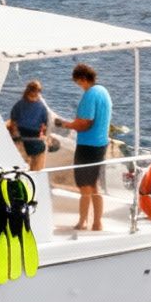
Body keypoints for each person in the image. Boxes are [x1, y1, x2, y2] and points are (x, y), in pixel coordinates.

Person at [59, 62, 112, 231]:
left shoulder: (90, 95)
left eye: (77, 82)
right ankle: (97, 223)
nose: (78, 85)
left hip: (87, 146)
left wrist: (65, 124)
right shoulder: (103, 91)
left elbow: (84, 124)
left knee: (84, 187)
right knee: (94, 185)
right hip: (101, 144)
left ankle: (82, 222)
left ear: (82, 79)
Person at [8, 79, 53, 171]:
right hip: (33, 140)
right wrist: (44, 136)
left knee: (25, 162)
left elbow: (13, 123)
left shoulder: (18, 105)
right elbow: (45, 126)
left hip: (21, 139)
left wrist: (15, 136)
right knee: (40, 156)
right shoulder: (41, 107)